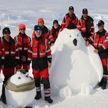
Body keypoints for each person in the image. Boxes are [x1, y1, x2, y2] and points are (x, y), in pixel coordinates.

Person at [32, 25, 53, 103]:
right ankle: (38, 94)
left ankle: (47, 96)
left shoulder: (45, 40)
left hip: (43, 64)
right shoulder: (31, 41)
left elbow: (48, 52)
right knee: (36, 80)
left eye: (39, 31)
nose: (38, 33)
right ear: (34, 32)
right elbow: (29, 52)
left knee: (45, 80)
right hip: (35, 64)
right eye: (36, 31)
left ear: (41, 32)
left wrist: (49, 60)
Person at [89, 20, 108, 89]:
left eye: (101, 25)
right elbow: (90, 39)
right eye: (99, 25)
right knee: (98, 66)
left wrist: (99, 50)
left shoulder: (106, 34)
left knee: (104, 67)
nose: (100, 27)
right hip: (96, 54)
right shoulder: (95, 34)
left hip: (103, 53)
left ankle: (105, 81)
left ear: (103, 26)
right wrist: (88, 41)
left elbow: (106, 44)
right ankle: (100, 79)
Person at [1, 27, 17, 104]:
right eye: (5, 33)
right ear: (3, 34)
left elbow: (15, 53)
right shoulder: (1, 42)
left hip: (12, 65)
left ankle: (11, 97)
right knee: (6, 80)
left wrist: (16, 62)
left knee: (11, 80)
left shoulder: (13, 42)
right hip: (5, 65)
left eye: (8, 33)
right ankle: (3, 97)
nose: (6, 35)